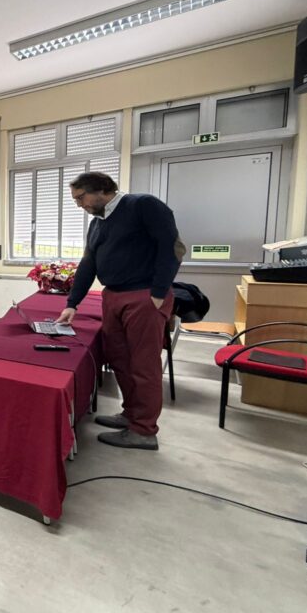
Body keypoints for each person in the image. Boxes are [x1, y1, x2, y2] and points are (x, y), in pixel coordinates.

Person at [56, 172, 181, 451]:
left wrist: (158, 293)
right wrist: (72, 303)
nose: (79, 205)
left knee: (143, 365)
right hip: (113, 295)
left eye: (81, 198)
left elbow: (172, 248)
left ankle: (144, 430)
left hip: (144, 296)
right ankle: (131, 414)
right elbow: (88, 263)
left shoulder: (142, 205)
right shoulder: (97, 223)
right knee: (119, 359)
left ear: (102, 189)